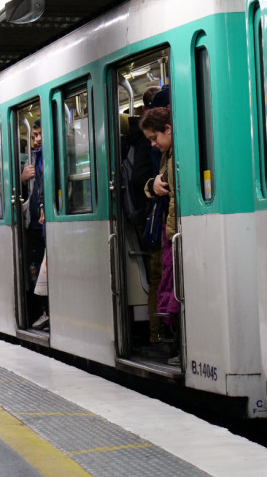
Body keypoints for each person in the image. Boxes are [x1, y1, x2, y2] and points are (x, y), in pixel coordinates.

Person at [140, 93, 180, 365]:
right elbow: (157, 184)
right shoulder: (168, 155)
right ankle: (176, 346)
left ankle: (178, 347)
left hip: (175, 233)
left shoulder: (177, 154)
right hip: (171, 234)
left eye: (155, 138)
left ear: (168, 129)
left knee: (174, 292)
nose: (154, 145)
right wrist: (151, 184)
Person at [123, 86, 163, 345]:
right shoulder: (148, 142)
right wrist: (153, 186)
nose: (152, 143)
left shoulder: (139, 139)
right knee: (158, 273)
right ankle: (157, 333)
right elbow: (140, 178)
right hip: (152, 215)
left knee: (158, 274)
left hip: (149, 214)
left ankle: (158, 332)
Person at [21, 119, 49, 330]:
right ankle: (42, 311)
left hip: (46, 224)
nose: (36, 140)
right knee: (37, 270)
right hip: (34, 225)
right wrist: (22, 179)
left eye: (39, 135)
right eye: (34, 136)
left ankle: (48, 311)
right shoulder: (31, 160)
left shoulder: (50, 156)